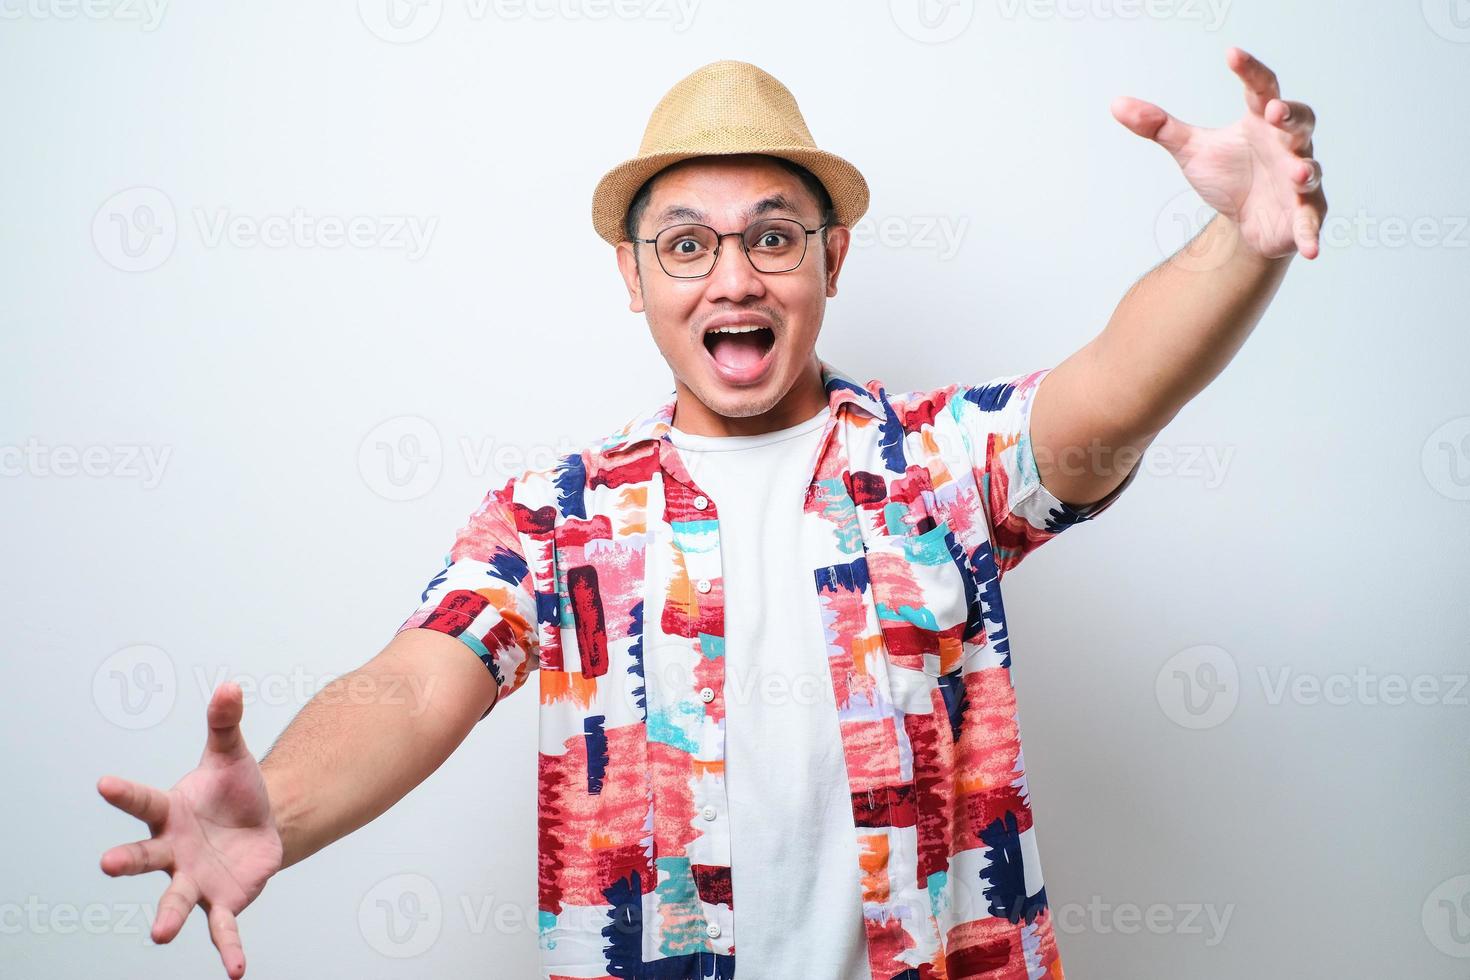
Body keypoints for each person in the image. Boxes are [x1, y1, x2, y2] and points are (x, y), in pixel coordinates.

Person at [97, 53, 1325, 979]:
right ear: (632, 280)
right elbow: (415, 685)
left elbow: (1120, 382)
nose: (733, 276)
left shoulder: (943, 462)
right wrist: (285, 806)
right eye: (686, 246)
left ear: (831, 261)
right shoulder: (557, 518)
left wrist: (1244, 241)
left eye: (772, 238)